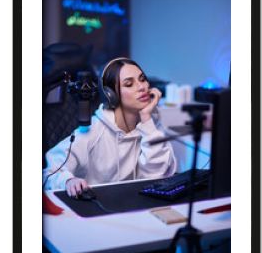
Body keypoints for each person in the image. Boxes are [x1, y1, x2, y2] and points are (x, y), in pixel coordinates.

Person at [43, 57, 176, 197]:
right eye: (129, 84)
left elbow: (158, 177)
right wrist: (68, 180)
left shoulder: (151, 122)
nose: (142, 87)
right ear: (110, 94)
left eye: (142, 79)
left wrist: (147, 120)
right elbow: (49, 172)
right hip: (96, 209)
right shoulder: (93, 130)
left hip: (138, 206)